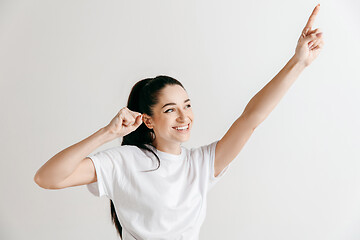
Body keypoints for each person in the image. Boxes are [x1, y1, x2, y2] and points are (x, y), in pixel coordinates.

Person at [34, 4, 324, 240]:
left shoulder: (201, 164)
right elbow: (47, 178)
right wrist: (107, 132)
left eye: (187, 105)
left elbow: (251, 119)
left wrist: (297, 63)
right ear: (148, 120)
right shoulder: (123, 162)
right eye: (171, 110)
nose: (185, 117)